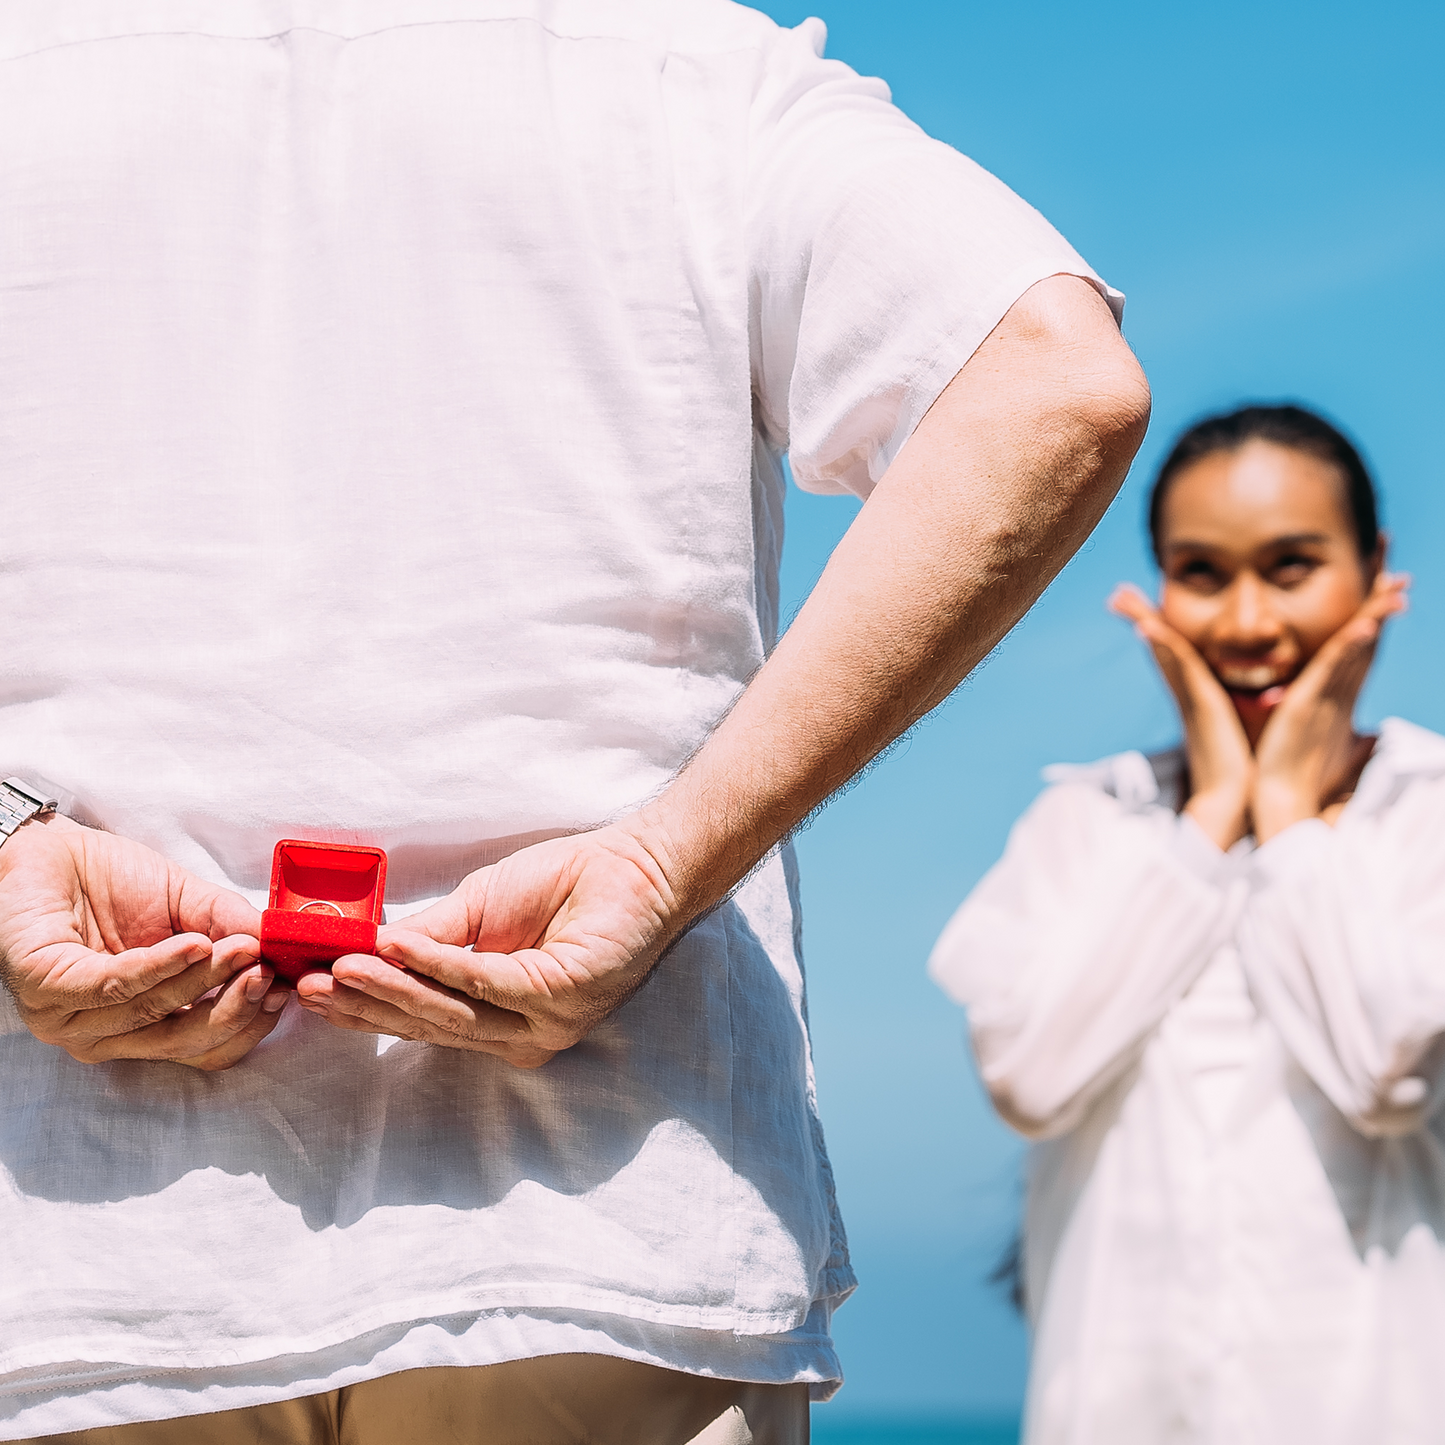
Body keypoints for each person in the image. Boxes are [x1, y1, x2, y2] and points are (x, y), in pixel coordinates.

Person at [0, 3, 1149, 1442]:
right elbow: (1054, 381)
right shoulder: (690, 74)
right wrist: (667, 863)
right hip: (607, 1223)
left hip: (74, 1252)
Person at [929, 403, 1445, 1444]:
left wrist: (1288, 815)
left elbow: (1386, 1069)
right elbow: (1028, 1074)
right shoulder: (1085, 819)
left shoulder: (1425, 810)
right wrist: (1209, 819)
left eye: (1290, 565)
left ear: (1371, 565)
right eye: (1201, 571)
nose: (1247, 621)